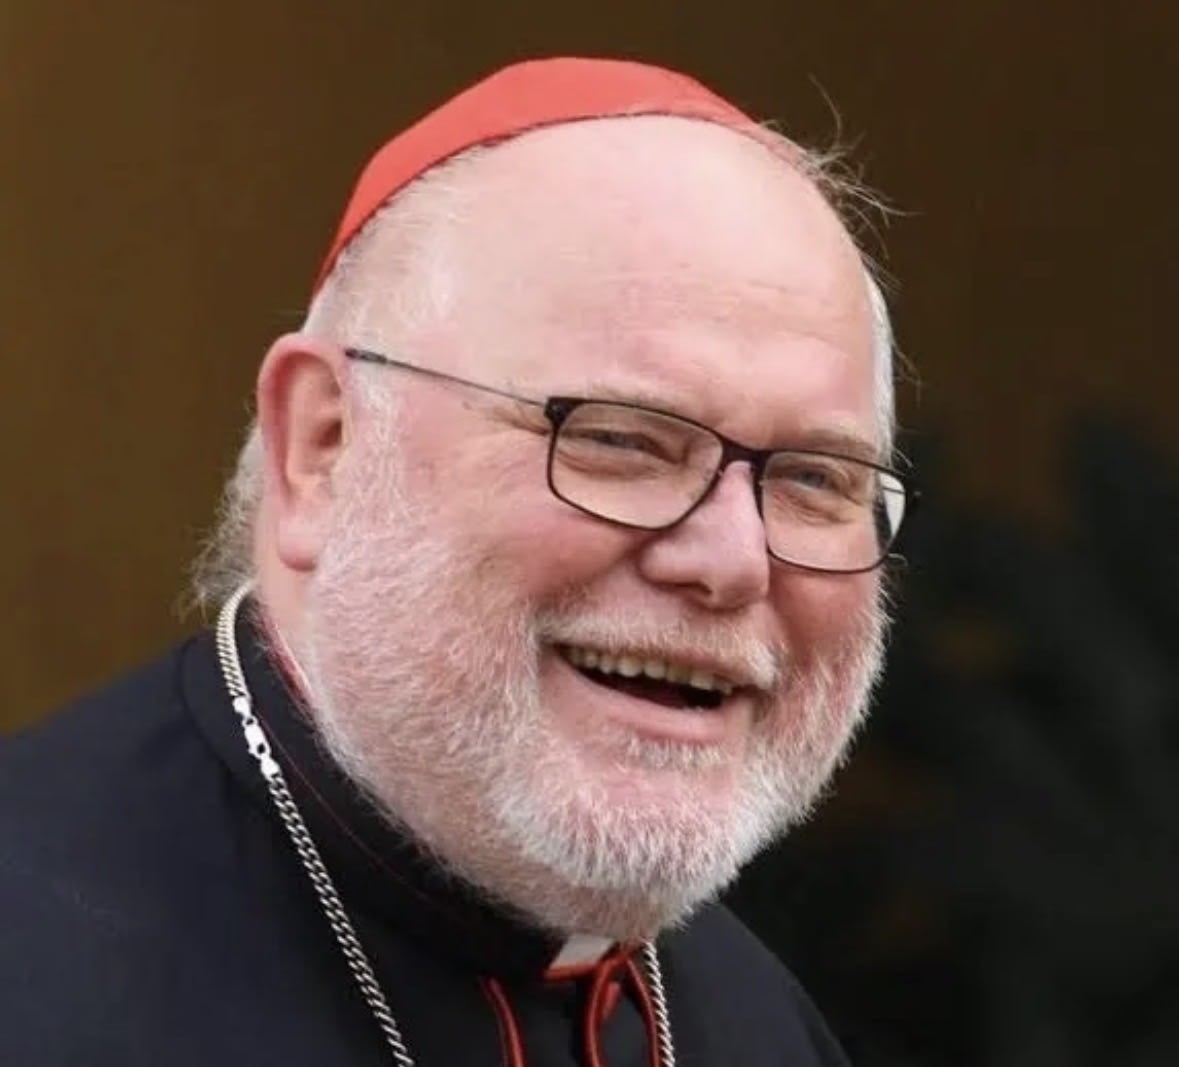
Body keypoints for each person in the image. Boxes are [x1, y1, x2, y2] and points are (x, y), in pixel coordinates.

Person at [0, 56, 912, 1066]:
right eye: (621, 441)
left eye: (814, 479)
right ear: (324, 446)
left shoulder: (760, 1027)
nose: (731, 561)